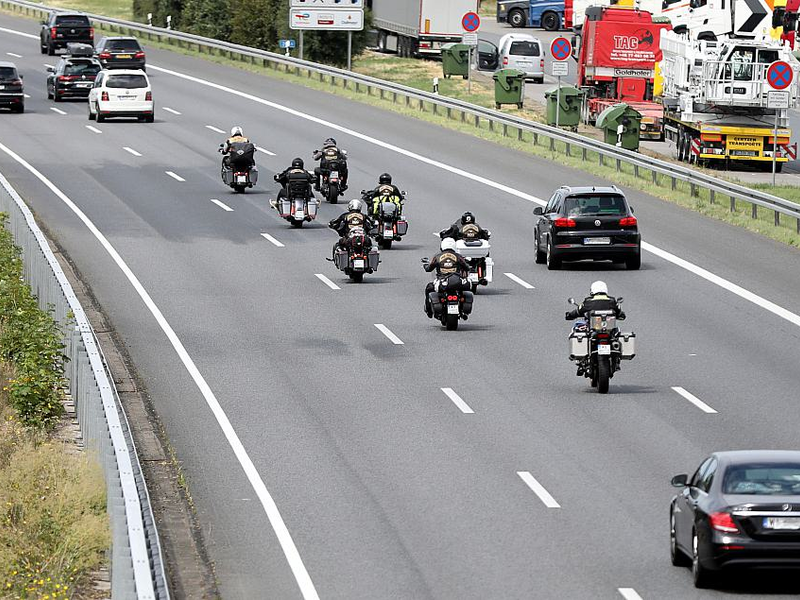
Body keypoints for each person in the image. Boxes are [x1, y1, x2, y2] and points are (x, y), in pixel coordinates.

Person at [423, 237, 471, 318]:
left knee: (429, 288)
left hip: (442, 282)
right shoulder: (458, 257)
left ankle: (429, 311)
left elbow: (429, 269)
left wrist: (425, 265)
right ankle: (463, 310)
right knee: (465, 289)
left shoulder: (437, 257)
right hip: (457, 281)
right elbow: (467, 268)